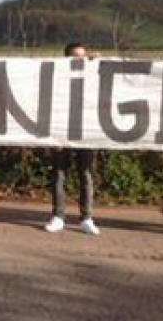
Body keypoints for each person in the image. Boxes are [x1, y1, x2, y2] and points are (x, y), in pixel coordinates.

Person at [45, 41, 100, 236]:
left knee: (85, 175)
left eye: (82, 57)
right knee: (59, 174)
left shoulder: (92, 74)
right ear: (66, 58)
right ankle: (58, 216)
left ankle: (86, 218)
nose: (79, 60)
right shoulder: (57, 76)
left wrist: (98, 63)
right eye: (75, 56)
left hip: (85, 130)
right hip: (61, 129)